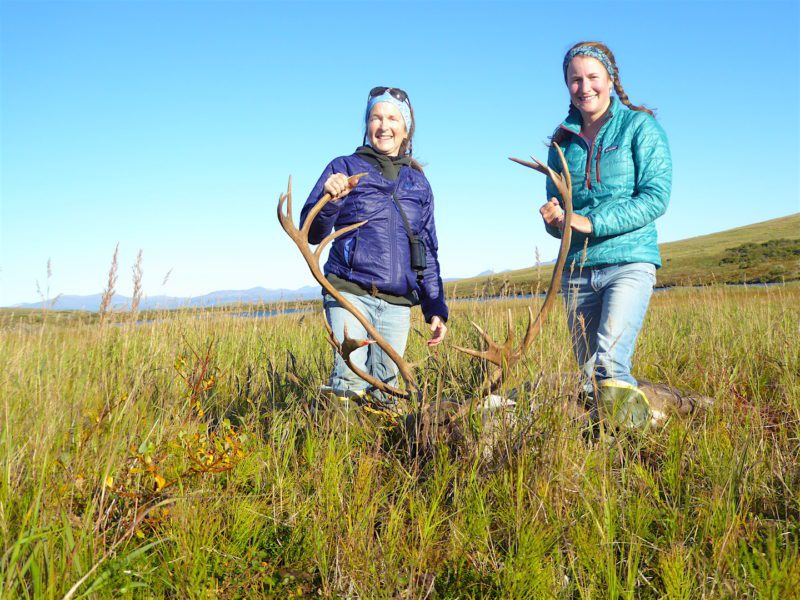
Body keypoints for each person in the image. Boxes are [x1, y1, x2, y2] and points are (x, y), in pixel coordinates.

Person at [539, 41, 672, 425]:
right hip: (577, 270)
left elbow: (655, 198)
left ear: (610, 80)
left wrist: (591, 222)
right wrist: (554, 219)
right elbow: (559, 212)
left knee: (611, 364)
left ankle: (629, 453)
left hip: (629, 262)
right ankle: (602, 446)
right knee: (587, 377)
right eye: (575, 80)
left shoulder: (639, 127)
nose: (585, 87)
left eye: (593, 77)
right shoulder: (561, 144)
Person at [300, 86, 448, 408]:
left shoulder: (418, 183)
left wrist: (435, 309)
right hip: (349, 294)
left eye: (393, 118)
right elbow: (311, 232)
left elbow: (428, 252)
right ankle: (341, 453)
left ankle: (380, 453)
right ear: (367, 125)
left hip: (397, 303)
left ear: (406, 128)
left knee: (388, 390)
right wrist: (330, 201)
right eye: (376, 117)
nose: (384, 126)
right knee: (348, 383)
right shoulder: (344, 167)